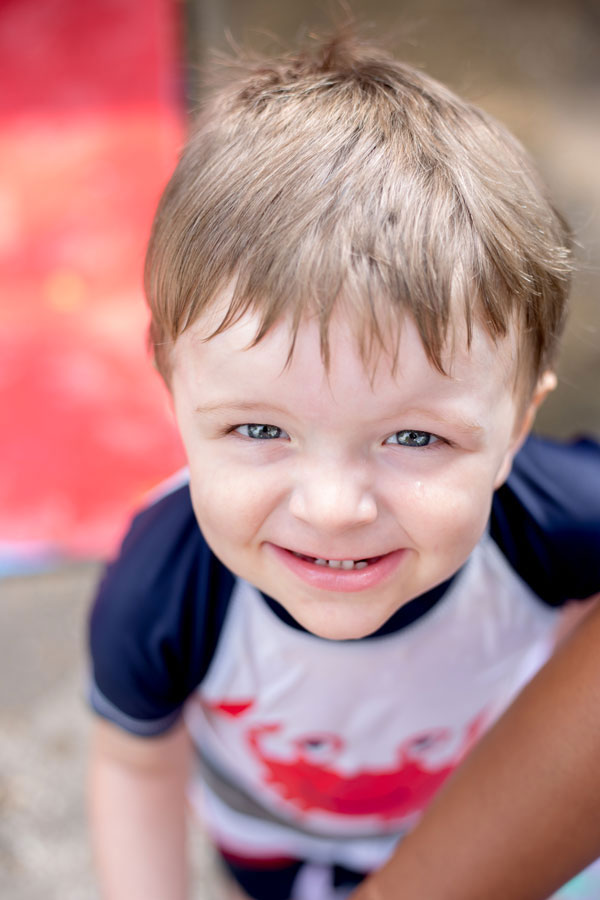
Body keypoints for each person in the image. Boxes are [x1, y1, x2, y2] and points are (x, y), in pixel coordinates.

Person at [87, 28, 600, 900]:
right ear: (173, 394)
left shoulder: (554, 520)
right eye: (258, 430)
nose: (332, 507)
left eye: (413, 438)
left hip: (485, 841)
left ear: (517, 426)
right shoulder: (161, 586)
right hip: (268, 849)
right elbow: (134, 769)